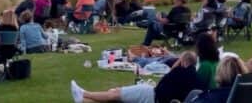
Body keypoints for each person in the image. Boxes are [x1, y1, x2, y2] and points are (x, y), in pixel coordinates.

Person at [70, 50, 202, 103]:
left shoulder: (180, 71)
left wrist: (178, 62)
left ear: (183, 61)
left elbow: (165, 79)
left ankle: (84, 93)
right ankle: (83, 99)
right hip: (157, 97)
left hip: (152, 96)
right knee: (117, 97)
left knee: (115, 93)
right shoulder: (195, 78)